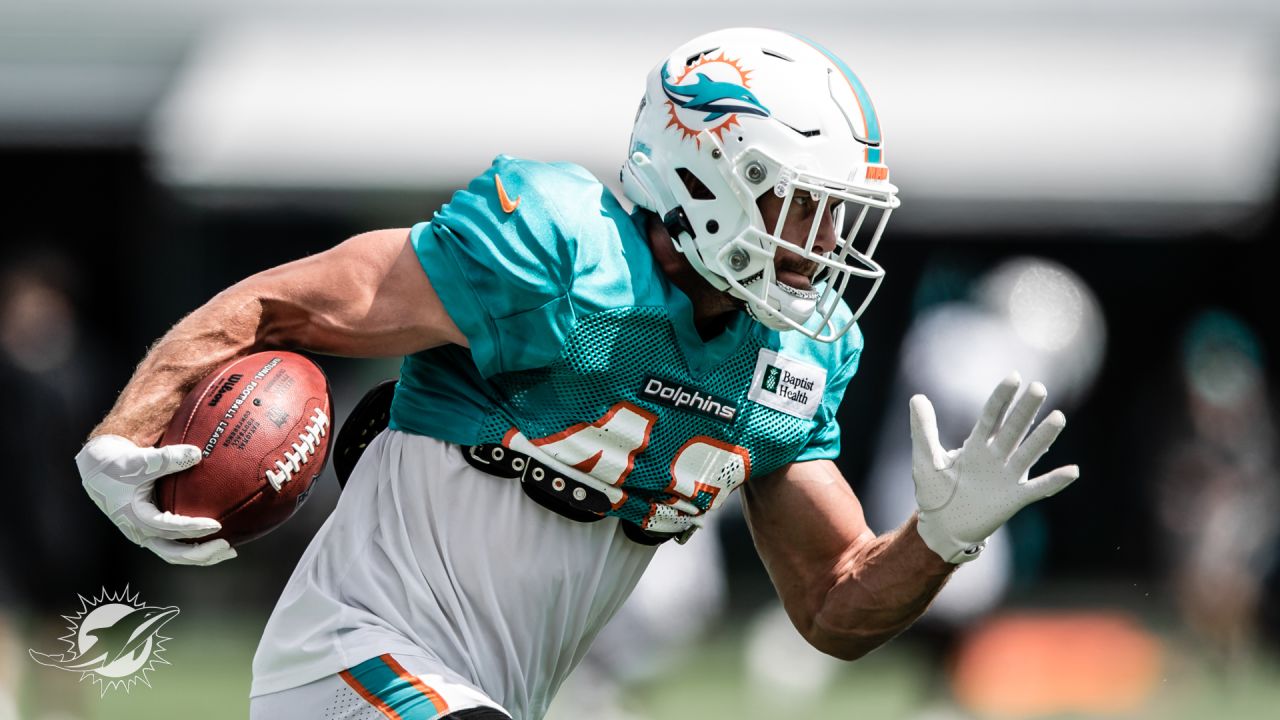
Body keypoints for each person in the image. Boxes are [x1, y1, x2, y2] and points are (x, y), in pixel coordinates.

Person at [74, 28, 1079, 720]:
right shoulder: (556, 250)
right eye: (797, 205)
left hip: (488, 697)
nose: (821, 244)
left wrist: (939, 538)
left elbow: (830, 607)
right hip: (349, 663)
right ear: (704, 175)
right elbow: (278, 305)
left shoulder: (787, 359)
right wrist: (129, 428)